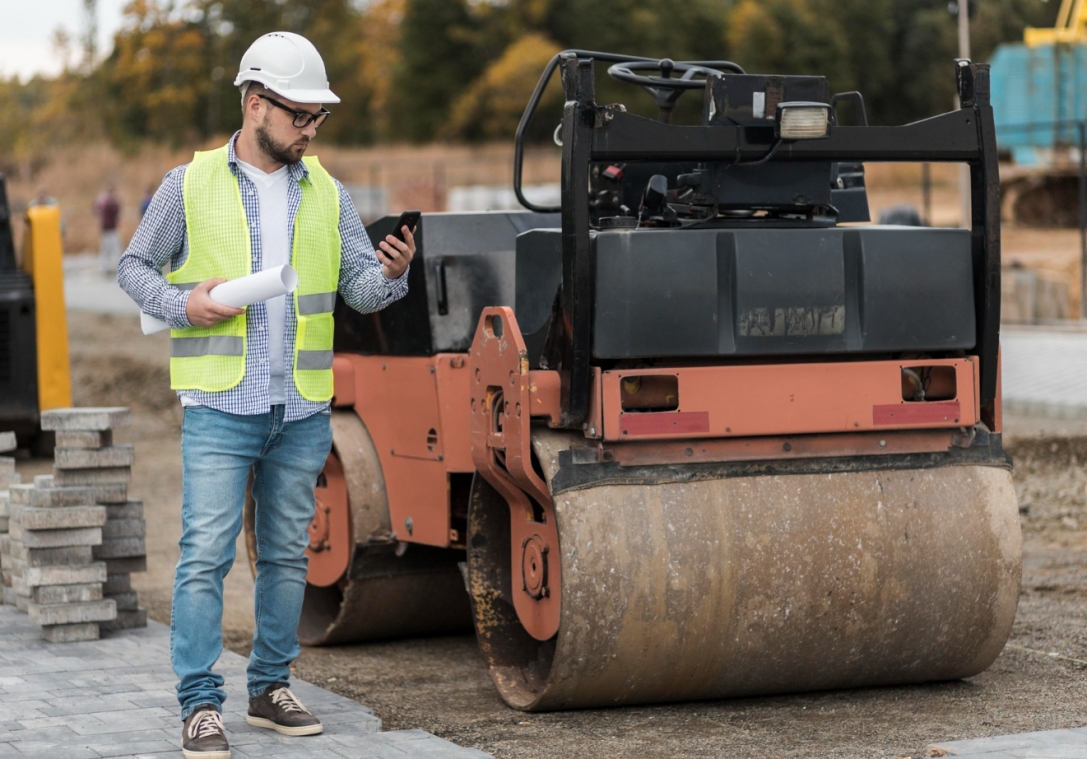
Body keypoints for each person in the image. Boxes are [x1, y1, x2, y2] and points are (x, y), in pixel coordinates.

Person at [117, 31, 416, 759]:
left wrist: (395, 272)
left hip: (301, 408)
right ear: (256, 104)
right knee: (203, 556)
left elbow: (359, 291)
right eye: (301, 116)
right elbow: (133, 267)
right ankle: (199, 703)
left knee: (287, 555)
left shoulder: (329, 193)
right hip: (220, 405)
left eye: (319, 119)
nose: (312, 131)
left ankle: (270, 685)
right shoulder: (187, 185)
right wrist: (186, 304)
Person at [94, 185, 122, 273]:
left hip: (110, 229)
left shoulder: (103, 201)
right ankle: (106, 267)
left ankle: (109, 267)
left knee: (113, 249)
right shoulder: (107, 202)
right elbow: (115, 210)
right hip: (108, 230)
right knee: (110, 249)